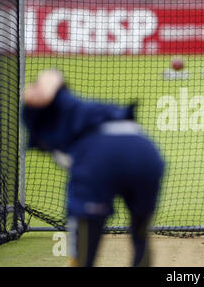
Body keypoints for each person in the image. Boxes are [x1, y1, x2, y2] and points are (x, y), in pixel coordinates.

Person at [22, 69, 165, 266]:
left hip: (99, 158)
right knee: (140, 232)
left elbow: (51, 77)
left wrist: (42, 89)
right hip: (144, 151)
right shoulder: (54, 114)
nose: (30, 89)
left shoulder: (62, 107)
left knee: (83, 249)